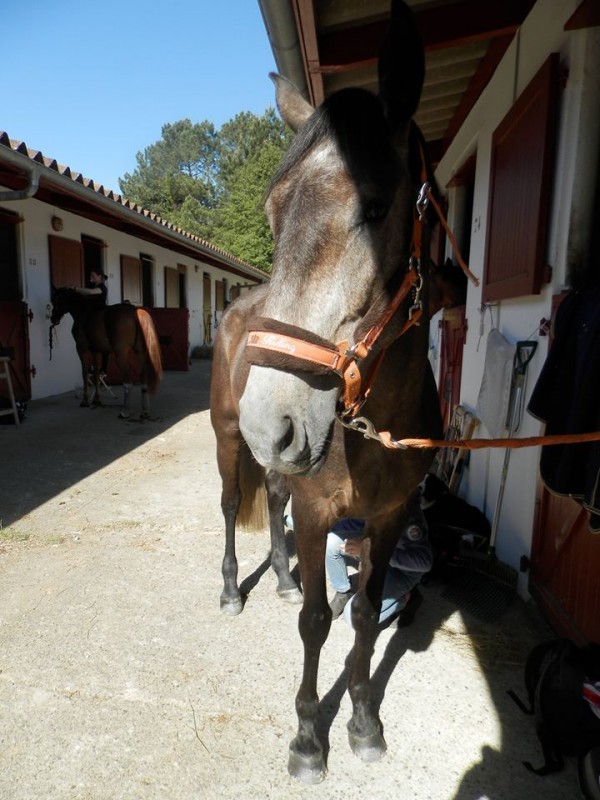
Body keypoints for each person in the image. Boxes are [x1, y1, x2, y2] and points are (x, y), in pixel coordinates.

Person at [284, 494, 432, 628]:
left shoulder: (408, 515)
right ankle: (343, 591)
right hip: (377, 556)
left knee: (354, 619)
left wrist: (368, 550)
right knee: (332, 542)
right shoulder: (374, 498)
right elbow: (353, 524)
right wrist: (320, 527)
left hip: (401, 572)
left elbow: (425, 562)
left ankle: (406, 600)